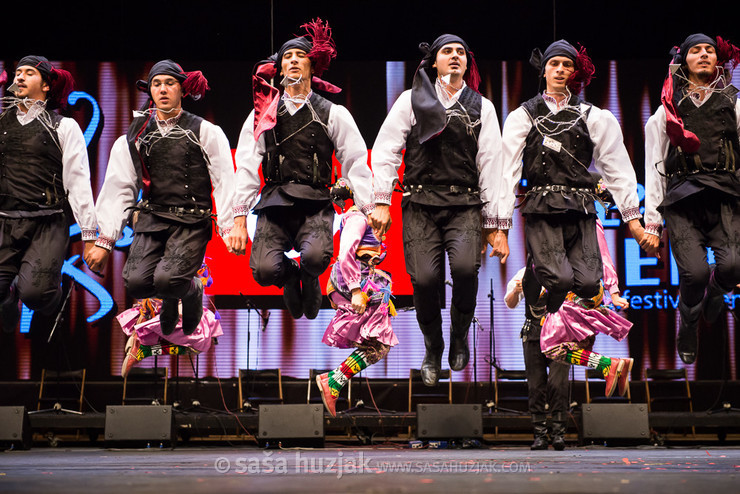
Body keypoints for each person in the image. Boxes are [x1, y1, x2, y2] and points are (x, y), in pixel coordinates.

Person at [370, 34, 504, 386]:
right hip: (419, 204)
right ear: (434, 62)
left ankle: (459, 333)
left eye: (461, 52)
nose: (455, 56)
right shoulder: (410, 101)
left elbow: (491, 164)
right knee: (425, 279)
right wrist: (382, 201)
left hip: (464, 204)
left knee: (464, 269)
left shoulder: (482, 106)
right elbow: (385, 151)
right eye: (447, 52)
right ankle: (433, 345)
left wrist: (496, 224)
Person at [230, 19, 375, 320]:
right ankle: (290, 275)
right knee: (263, 271)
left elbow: (355, 159)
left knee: (316, 258)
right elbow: (245, 165)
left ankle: (309, 275)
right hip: (274, 201)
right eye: (287, 57)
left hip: (316, 202)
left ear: (311, 66)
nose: (294, 60)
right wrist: (239, 217)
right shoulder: (263, 114)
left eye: (300, 56)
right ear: (280, 69)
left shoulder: (332, 112)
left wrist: (369, 207)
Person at [499, 40, 644, 321]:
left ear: (575, 72)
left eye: (567, 65)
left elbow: (616, 167)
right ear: (543, 71)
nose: (561, 69)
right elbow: (507, 171)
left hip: (580, 208)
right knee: (560, 280)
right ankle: (534, 279)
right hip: (542, 207)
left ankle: (542, 284)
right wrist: (499, 226)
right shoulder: (524, 115)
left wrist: (633, 218)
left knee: (590, 285)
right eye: (554, 63)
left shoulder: (593, 116)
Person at [87, 60, 234, 336]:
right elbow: (119, 188)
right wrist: (105, 241)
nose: (163, 89)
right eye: (157, 84)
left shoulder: (204, 132)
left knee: (168, 279)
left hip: (191, 221)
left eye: (170, 83)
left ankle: (190, 291)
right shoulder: (135, 137)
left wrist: (230, 226)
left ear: (182, 89)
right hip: (153, 218)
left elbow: (225, 178)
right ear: (150, 91)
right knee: (135, 283)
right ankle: (174, 296)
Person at [643, 33, 740, 364]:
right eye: (695, 51)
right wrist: (652, 224)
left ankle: (716, 293)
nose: (703, 55)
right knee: (694, 273)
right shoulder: (666, 112)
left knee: (732, 266)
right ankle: (688, 322)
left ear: (717, 60)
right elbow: (653, 166)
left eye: (709, 50)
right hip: (683, 200)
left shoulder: (734, 102)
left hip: (726, 196)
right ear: (683, 60)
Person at [0, 56, 96, 332]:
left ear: (45, 86)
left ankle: (49, 294)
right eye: (17, 72)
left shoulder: (63, 127)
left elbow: (78, 182)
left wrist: (90, 236)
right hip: (5, 221)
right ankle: (7, 299)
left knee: (35, 294)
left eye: (28, 73)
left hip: (47, 222)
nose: (19, 77)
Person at [315, 180, 398, 417]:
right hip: (356, 282)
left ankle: (333, 381)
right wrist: (354, 290)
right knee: (379, 343)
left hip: (364, 281)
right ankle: (333, 381)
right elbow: (345, 254)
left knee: (377, 345)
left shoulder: (363, 217)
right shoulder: (358, 218)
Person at [118, 263, 223, 377]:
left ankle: (142, 348)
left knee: (202, 339)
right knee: (200, 341)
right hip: (166, 304)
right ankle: (142, 348)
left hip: (172, 299)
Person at [505, 265, 569, 450]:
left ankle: (558, 434)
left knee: (558, 384)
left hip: (560, 335)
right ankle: (540, 435)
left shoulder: (565, 269)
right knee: (535, 386)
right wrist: (517, 292)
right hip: (533, 333)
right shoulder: (525, 272)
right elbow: (509, 302)